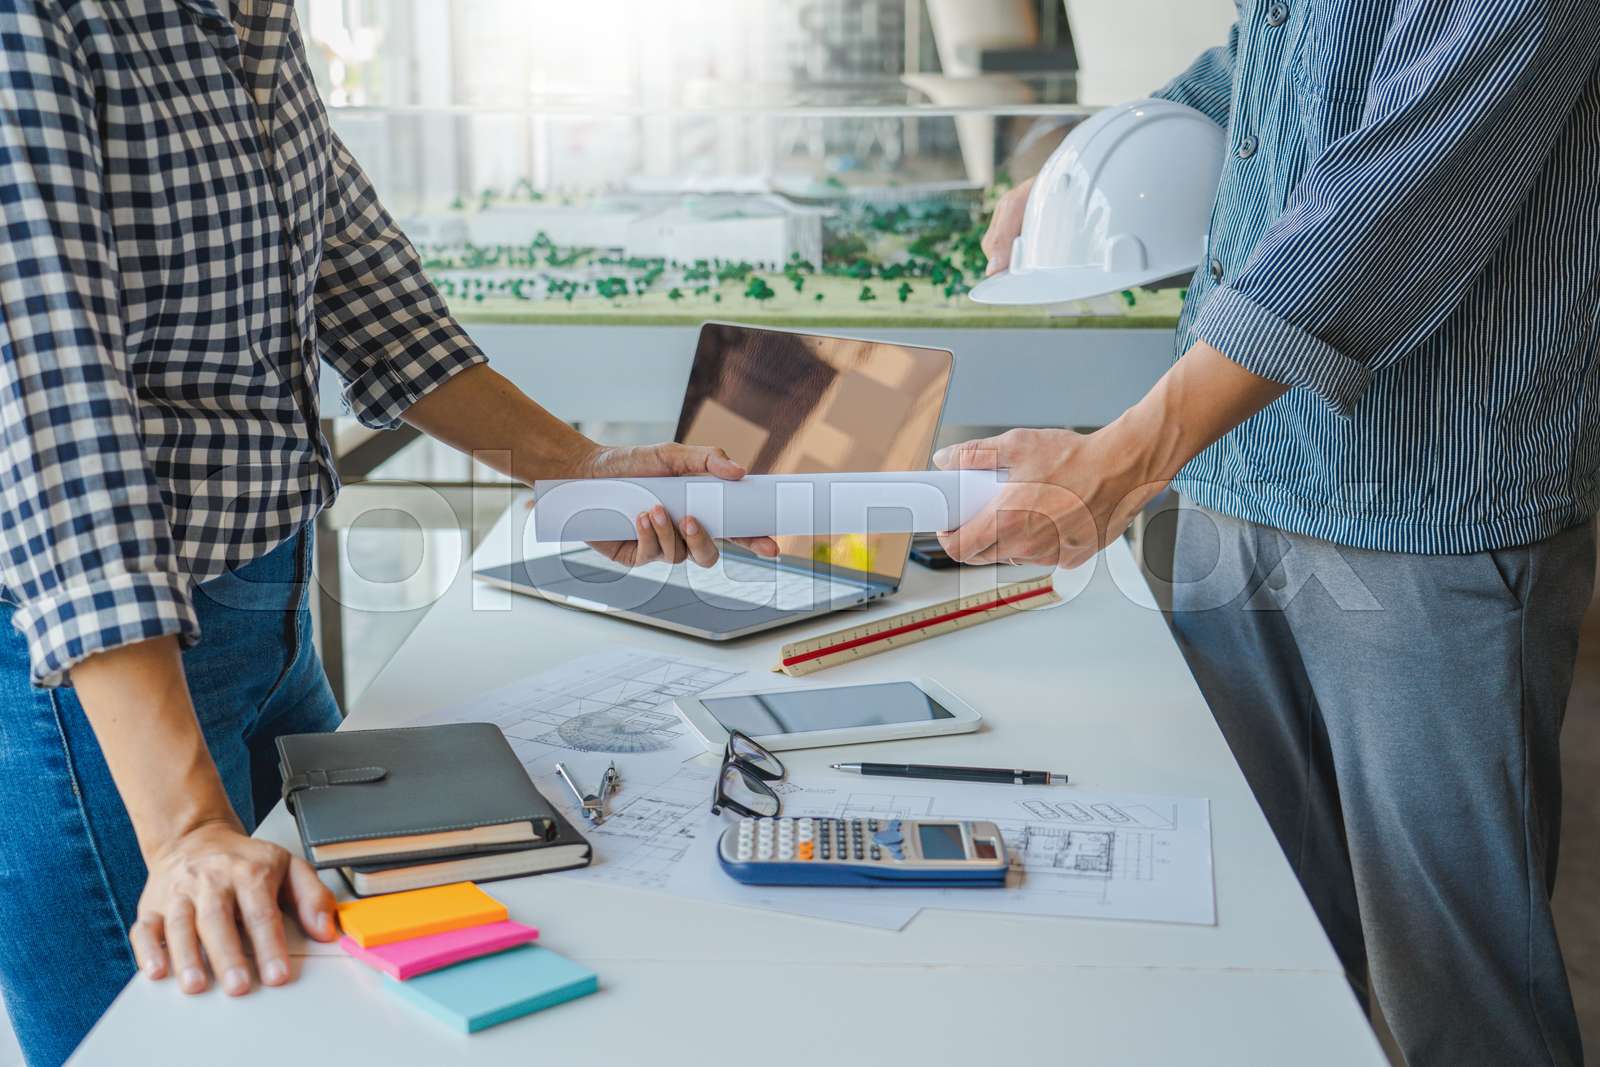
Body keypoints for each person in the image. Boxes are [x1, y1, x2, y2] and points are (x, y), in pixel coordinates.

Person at [0, 4, 778, 1064]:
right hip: (98, 674)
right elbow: (51, 419)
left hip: (268, 617)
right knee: (166, 1037)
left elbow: (360, 280)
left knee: (335, 1015)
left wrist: (581, 467)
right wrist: (184, 830)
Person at [942, 5, 1598, 1065]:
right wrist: (1085, 166)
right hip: (1240, 473)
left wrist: (1121, 461)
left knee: (1459, 986)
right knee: (1258, 945)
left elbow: (1394, 197)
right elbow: (1262, 63)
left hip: (1426, 499)